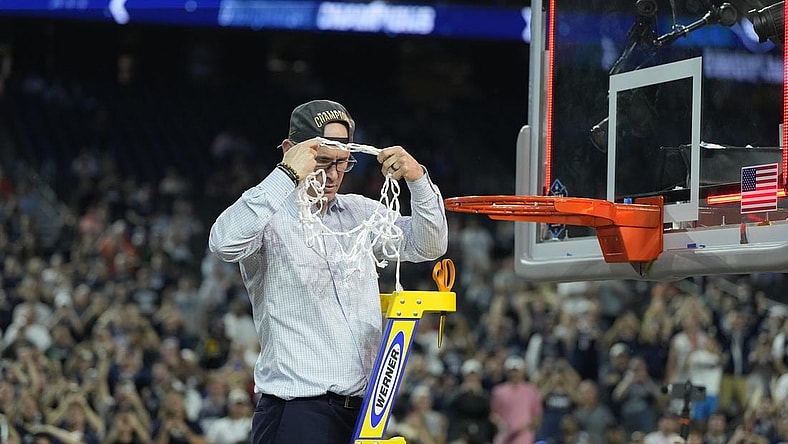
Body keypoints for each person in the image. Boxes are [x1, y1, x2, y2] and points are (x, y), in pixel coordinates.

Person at [208, 99, 449, 443]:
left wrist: (418, 178)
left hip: (365, 414)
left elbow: (430, 245)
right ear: (292, 151)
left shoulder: (360, 215)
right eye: (323, 161)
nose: (334, 175)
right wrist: (285, 175)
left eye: (343, 162)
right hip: (297, 411)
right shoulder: (269, 215)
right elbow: (222, 242)